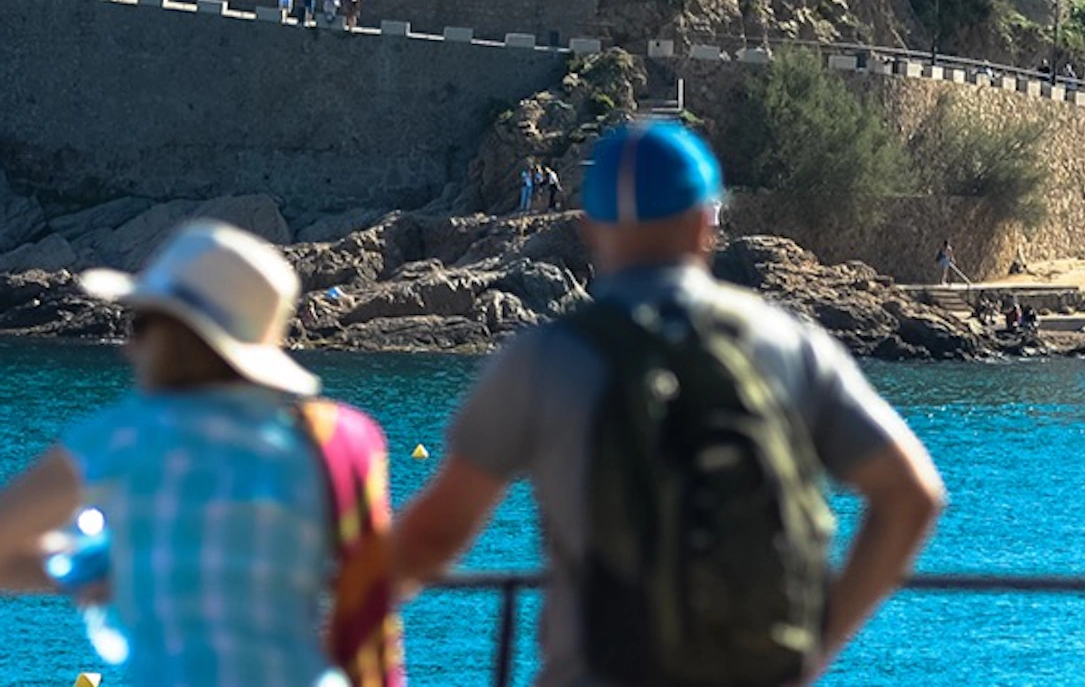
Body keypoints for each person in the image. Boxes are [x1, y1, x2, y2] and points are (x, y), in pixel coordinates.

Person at [391, 120, 944, 685]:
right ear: (707, 221)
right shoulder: (792, 344)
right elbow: (913, 494)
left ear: (589, 229)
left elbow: (436, 536)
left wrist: (341, 596)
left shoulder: (543, 360)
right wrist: (815, 650)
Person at [0, 219, 403, 687]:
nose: (129, 346)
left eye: (141, 325)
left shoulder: (122, 437)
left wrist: (96, 568)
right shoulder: (337, 440)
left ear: (173, 337)